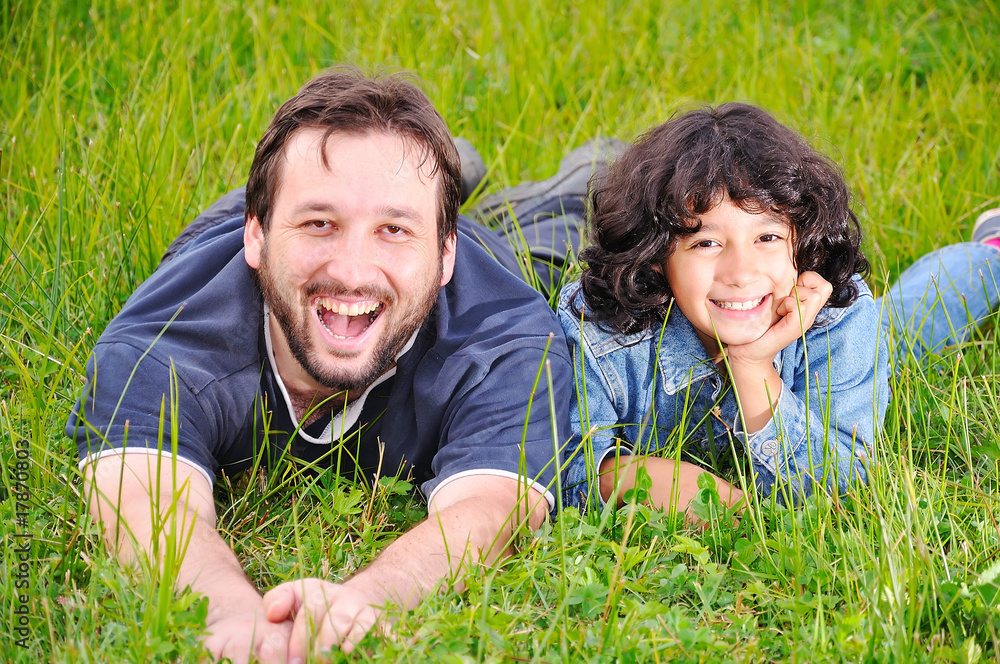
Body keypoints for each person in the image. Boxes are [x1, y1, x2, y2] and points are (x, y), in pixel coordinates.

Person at [67, 67, 599, 663]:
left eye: (392, 230)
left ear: (445, 254)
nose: (351, 270)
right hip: (220, 234)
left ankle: (541, 185)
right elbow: (143, 500)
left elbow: (491, 509)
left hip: (486, 257)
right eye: (319, 224)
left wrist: (367, 602)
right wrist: (231, 613)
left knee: (555, 239)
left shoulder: (503, 336)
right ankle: (437, 174)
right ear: (258, 237)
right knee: (353, 192)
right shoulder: (163, 340)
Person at [557, 103, 1000, 514]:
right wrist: (632, 476)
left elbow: (840, 485)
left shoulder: (836, 315)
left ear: (801, 240)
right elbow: (562, 470)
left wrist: (752, 367)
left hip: (815, 326)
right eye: (706, 242)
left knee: (906, 328)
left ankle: (989, 254)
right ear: (656, 256)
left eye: (766, 237)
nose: (741, 272)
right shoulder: (601, 327)